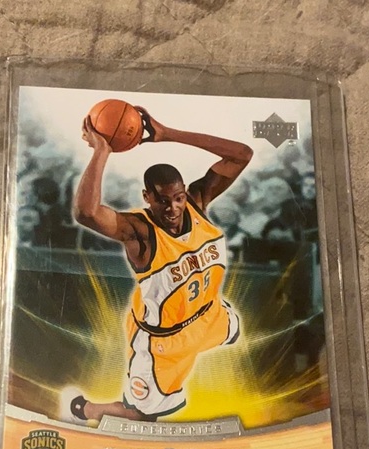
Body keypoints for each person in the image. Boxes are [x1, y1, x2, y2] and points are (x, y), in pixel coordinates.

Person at [59, 108, 253, 423]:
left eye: (178, 198)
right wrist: (101, 151)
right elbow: (86, 213)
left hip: (209, 316)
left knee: (241, 332)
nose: (173, 208)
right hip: (164, 341)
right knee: (141, 416)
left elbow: (242, 154)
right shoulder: (139, 231)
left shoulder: (196, 203)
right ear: (147, 197)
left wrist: (168, 134)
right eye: (162, 200)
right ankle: (89, 410)